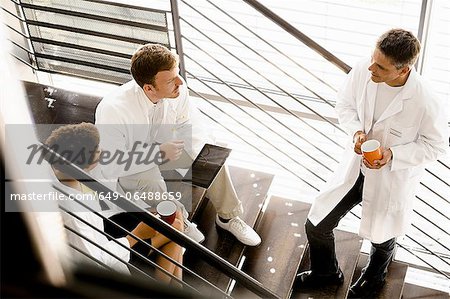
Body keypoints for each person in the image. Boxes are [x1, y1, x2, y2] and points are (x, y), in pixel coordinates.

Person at [295, 29, 447, 298]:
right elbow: (344, 104)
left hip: (390, 178)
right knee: (317, 224)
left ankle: (374, 278)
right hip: (355, 170)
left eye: (380, 66)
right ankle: (326, 272)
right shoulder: (364, 71)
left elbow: (435, 146)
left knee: (382, 235)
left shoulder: (426, 101)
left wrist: (394, 155)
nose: (370, 67)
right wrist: (355, 130)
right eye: (373, 59)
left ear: (403, 70)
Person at [95, 44, 261, 246]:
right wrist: (156, 155)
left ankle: (228, 216)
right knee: (150, 180)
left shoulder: (177, 90)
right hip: (132, 163)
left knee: (211, 156)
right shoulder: (112, 110)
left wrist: (201, 155)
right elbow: (111, 164)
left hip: (167, 149)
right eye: (171, 79)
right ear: (149, 88)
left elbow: (189, 124)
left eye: (178, 73)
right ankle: (179, 220)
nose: (180, 82)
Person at [46, 123, 184, 283]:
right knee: (175, 228)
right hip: (107, 254)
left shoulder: (62, 171)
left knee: (175, 217)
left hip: (103, 226)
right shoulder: (73, 213)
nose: (102, 151)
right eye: (97, 150)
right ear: (81, 162)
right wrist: (136, 235)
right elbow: (96, 262)